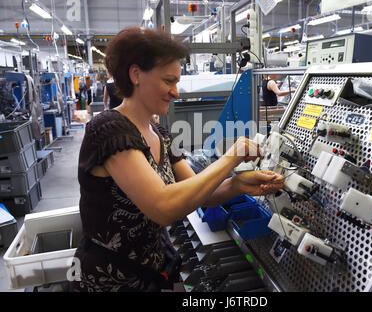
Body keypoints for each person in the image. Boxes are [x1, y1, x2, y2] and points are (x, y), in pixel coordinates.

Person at [69, 27, 284, 292]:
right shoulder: (109, 130)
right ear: (136, 74)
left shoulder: (160, 134)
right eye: (168, 81)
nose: (176, 92)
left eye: (176, 82)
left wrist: (239, 184)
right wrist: (231, 158)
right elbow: (164, 207)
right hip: (109, 281)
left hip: (150, 271)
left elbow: (202, 193)